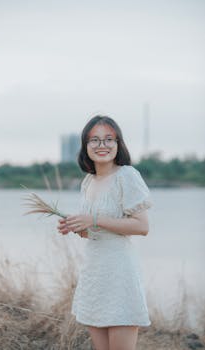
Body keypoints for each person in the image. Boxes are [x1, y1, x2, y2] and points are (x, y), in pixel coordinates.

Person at [57, 115, 153, 350]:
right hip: (94, 275)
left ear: (118, 144)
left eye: (109, 139)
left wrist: (94, 219)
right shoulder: (88, 181)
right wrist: (78, 228)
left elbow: (142, 226)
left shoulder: (127, 176)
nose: (102, 146)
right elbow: (98, 233)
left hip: (119, 275)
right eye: (95, 140)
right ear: (85, 146)